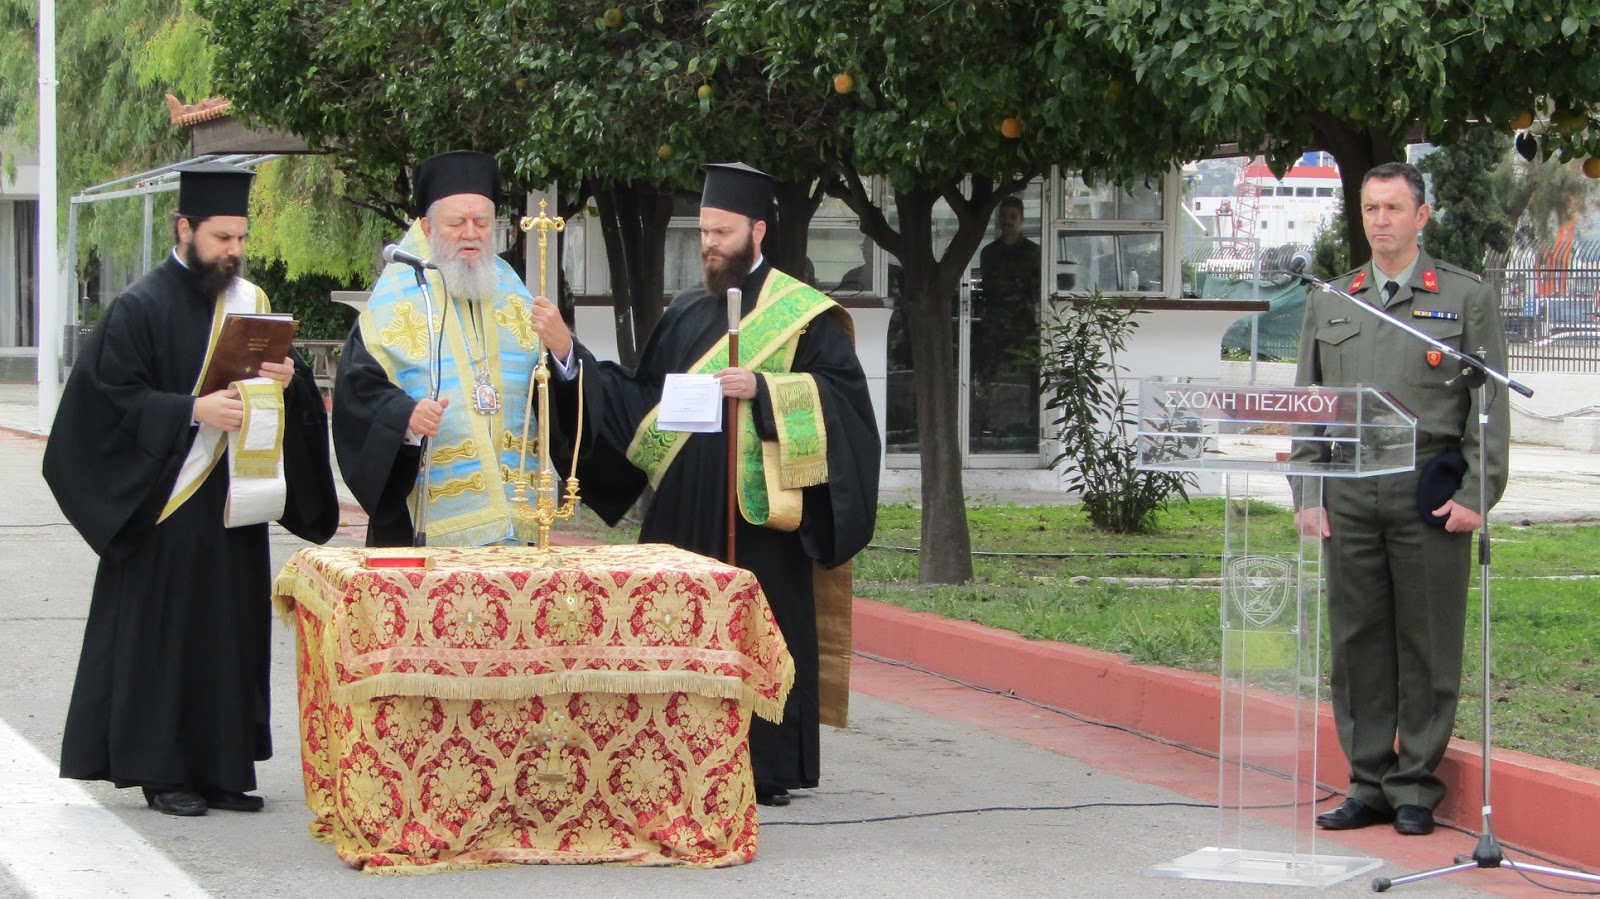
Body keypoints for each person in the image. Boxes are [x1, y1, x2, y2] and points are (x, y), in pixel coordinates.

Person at [527, 161, 881, 807]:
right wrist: (569, 355)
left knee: (760, 630)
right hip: (684, 521)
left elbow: (846, 406)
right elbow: (637, 402)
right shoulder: (686, 312)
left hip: (760, 529)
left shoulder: (805, 317)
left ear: (758, 230)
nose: (710, 243)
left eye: (722, 231)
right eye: (705, 232)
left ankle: (765, 766)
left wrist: (769, 391)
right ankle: (675, 751)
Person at [44, 162, 339, 817]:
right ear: (185, 229)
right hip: (167, 503)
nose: (233, 250)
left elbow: (275, 393)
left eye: (240, 237)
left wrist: (287, 378)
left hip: (234, 500)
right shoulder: (138, 308)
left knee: (229, 634)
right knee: (169, 638)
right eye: (220, 237)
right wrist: (190, 410)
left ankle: (223, 766)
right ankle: (164, 770)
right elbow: (107, 401)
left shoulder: (253, 304)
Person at [1290, 161, 1509, 837]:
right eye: (1370, 209)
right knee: (1356, 643)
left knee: (1427, 641)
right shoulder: (1333, 298)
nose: (1380, 220)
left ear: (1422, 215)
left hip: (1426, 490)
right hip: (1349, 489)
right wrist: (1307, 487)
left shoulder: (1464, 298)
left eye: (1392, 208)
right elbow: (1309, 404)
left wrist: (1478, 491)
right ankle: (1367, 782)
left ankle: (1415, 783)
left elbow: (1491, 405)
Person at [333, 150, 547, 547]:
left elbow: (552, 385)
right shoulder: (396, 297)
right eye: (457, 222)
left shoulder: (513, 291)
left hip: (517, 533)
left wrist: (565, 349)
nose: (471, 233)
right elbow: (357, 395)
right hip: (423, 535)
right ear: (428, 228)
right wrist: (405, 417)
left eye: (482, 222)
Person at [972, 195, 1042, 451]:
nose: (1008, 221)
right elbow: (988, 290)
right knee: (995, 379)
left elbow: (1037, 293)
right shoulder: (989, 253)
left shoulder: (1033, 253)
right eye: (1004, 216)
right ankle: (997, 429)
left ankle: (1025, 430)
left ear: (1022, 220)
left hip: (1023, 328)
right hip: (995, 327)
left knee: (1024, 380)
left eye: (1013, 217)